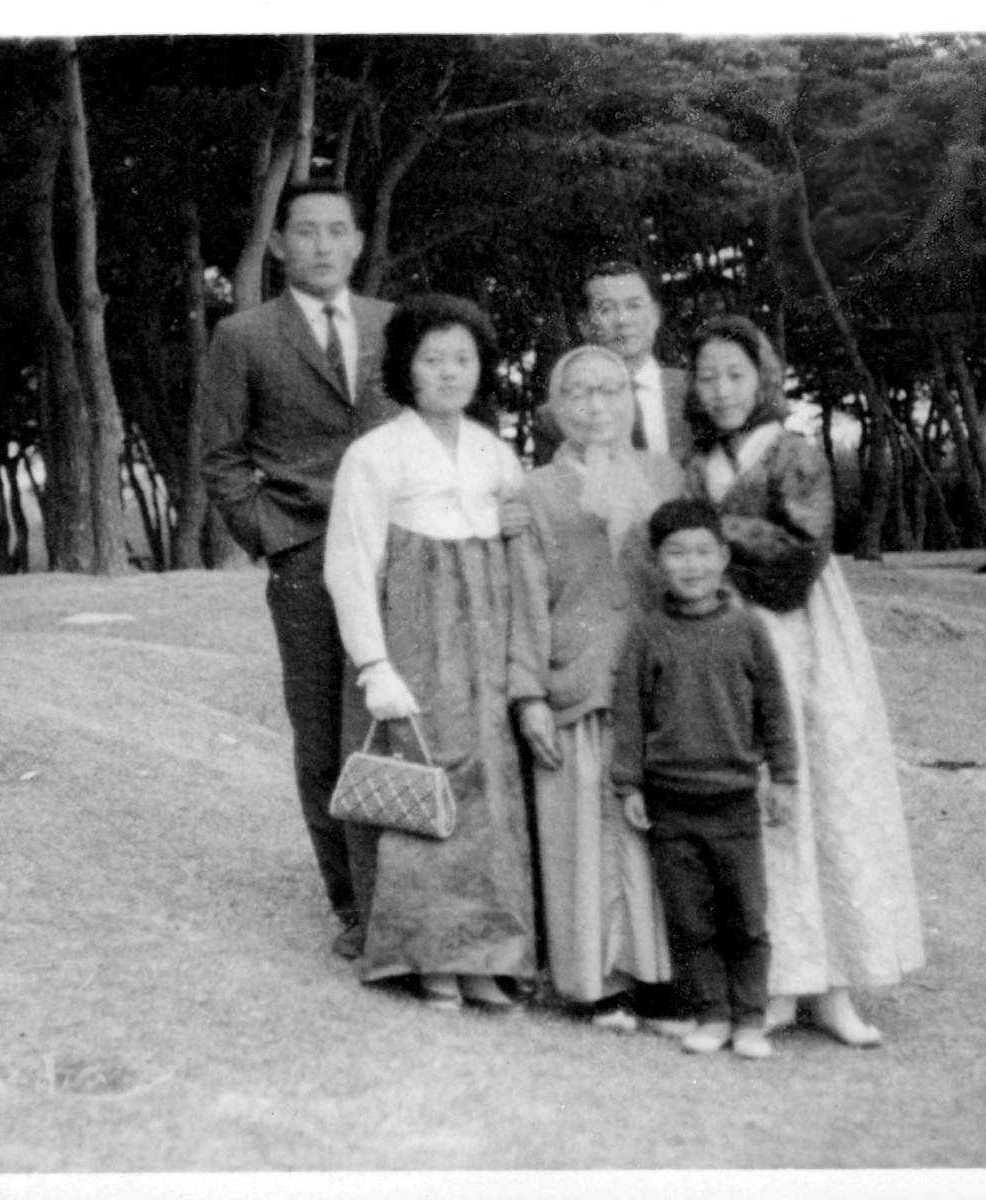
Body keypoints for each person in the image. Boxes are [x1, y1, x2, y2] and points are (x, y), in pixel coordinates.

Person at [683, 314, 925, 1046]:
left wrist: (716, 531)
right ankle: (781, 980)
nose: (722, 390)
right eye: (707, 376)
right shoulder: (699, 461)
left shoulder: (793, 452)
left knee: (820, 787)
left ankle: (837, 984)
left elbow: (801, 550)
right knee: (755, 794)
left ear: (763, 378)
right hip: (730, 631)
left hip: (801, 634)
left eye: (736, 374)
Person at [323, 293, 538, 1011]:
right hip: (415, 637)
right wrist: (374, 665)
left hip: (487, 639)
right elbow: (349, 566)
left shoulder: (496, 455)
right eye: (432, 358)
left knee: (491, 791)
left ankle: (488, 957)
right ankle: (430, 957)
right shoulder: (375, 455)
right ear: (405, 369)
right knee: (429, 785)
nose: (449, 373)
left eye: (463, 359)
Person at [200, 181, 395, 961]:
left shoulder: (393, 324)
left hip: (399, 551)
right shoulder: (243, 336)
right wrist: (273, 536)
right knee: (322, 734)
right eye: (306, 232)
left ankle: (413, 891)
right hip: (307, 553)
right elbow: (221, 457)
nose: (322, 245)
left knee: (400, 718)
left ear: (357, 243)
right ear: (279, 244)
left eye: (337, 230)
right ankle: (353, 903)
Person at [513, 345, 683, 1032]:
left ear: (630, 400)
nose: (595, 406)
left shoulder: (664, 475)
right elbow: (525, 597)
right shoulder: (533, 491)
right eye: (578, 392)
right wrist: (528, 694)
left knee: (654, 831)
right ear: (557, 406)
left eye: (610, 390)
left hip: (654, 683)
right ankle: (595, 981)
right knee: (581, 834)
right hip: (575, 681)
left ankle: (660, 977)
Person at [611, 498, 798, 1061]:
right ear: (657, 561)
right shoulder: (647, 633)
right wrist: (629, 784)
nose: (690, 565)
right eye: (676, 553)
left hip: (734, 802)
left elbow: (775, 709)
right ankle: (711, 1014)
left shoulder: (747, 629)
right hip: (670, 803)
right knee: (689, 919)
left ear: (723, 557)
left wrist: (784, 777)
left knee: (746, 916)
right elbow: (630, 714)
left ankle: (750, 1019)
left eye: (702, 552)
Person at [531, 262, 694, 466]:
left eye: (633, 306)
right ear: (584, 325)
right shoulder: (556, 416)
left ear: (655, 315)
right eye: (606, 309)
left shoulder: (694, 390)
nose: (623, 320)